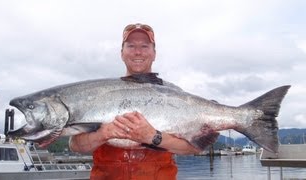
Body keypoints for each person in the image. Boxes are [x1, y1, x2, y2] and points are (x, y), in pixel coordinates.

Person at [69, 23, 219, 180]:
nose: (138, 52)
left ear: (154, 54)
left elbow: (192, 148)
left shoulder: (174, 95)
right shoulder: (100, 94)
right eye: (131, 46)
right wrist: (102, 134)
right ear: (122, 53)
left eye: (145, 46)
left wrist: (153, 137)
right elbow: (75, 145)